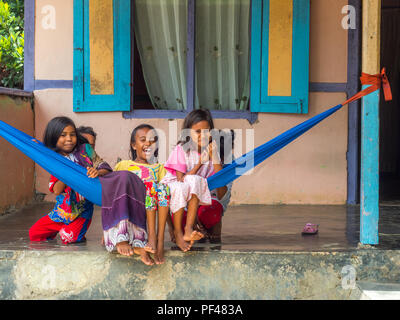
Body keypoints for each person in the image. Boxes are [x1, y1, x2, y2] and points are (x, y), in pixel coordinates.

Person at [29, 117, 112, 244]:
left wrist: (97, 172)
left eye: (72, 134)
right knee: (34, 233)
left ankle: (74, 231)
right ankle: (67, 229)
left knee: (68, 238)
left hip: (81, 212)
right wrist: (67, 171)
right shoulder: (54, 158)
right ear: (54, 137)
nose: (69, 139)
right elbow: (57, 190)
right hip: (61, 212)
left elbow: (105, 167)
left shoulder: (85, 150)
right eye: (63, 135)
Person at [161, 109, 225, 252]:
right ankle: (186, 229)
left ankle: (196, 229)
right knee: (194, 179)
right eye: (197, 132)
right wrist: (200, 163)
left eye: (206, 131)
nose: (202, 135)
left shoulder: (212, 152)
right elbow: (182, 181)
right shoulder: (181, 150)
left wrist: (214, 158)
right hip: (177, 196)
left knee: (214, 206)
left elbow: (221, 191)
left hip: (198, 197)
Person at [114, 124, 171, 264]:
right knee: (151, 186)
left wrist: (174, 230)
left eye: (152, 140)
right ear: (134, 145)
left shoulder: (159, 167)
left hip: (149, 210)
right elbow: (113, 193)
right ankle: (147, 243)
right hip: (130, 208)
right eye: (143, 139)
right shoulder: (124, 165)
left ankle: (158, 240)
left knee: (163, 188)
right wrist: (108, 226)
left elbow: (164, 198)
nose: (148, 143)